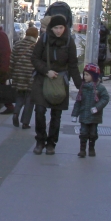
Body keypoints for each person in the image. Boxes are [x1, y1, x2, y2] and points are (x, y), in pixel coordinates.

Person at [29, 13, 82, 155]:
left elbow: (73, 65)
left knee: (56, 115)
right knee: (40, 111)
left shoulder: (69, 42)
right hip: (42, 79)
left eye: (61, 28)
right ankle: (40, 141)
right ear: (51, 28)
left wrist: (80, 85)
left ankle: (51, 143)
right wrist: (47, 71)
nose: (58, 31)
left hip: (60, 81)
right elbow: (34, 58)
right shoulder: (44, 39)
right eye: (56, 28)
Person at [71, 63, 110, 158]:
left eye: (87, 75)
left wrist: (97, 107)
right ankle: (82, 150)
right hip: (84, 115)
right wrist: (75, 114)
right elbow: (78, 101)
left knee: (93, 133)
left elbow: (105, 98)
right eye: (84, 74)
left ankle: (91, 148)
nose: (85, 77)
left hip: (94, 116)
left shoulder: (100, 88)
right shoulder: (83, 88)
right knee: (83, 133)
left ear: (94, 76)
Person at [11, 25, 39, 128]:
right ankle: (25, 122)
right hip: (31, 76)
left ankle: (15, 113)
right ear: (36, 36)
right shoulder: (36, 46)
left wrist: (11, 73)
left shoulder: (17, 45)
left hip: (18, 75)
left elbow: (12, 60)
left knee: (20, 96)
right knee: (30, 100)